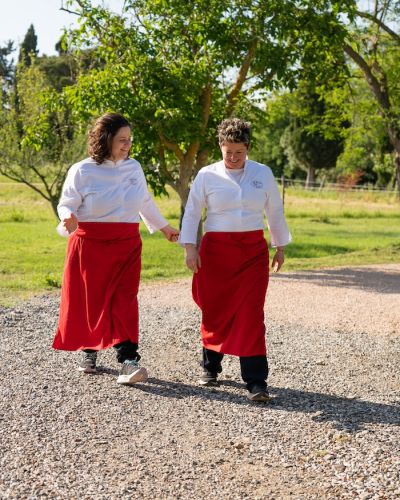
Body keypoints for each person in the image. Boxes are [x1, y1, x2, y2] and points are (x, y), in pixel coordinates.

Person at [52, 112, 179, 385]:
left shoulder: (134, 168)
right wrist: (67, 217)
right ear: (106, 139)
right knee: (93, 300)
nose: (128, 145)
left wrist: (165, 227)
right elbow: (67, 203)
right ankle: (90, 349)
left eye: (130, 139)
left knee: (125, 299)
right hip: (90, 244)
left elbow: (144, 201)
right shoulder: (82, 170)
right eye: (122, 140)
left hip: (127, 244)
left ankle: (128, 360)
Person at [180, 118, 291, 402]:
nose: (232, 157)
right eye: (228, 151)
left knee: (251, 314)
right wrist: (190, 247)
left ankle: (256, 381)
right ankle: (210, 367)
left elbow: (274, 210)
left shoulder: (262, 173)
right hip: (216, 252)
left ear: (248, 148)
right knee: (215, 309)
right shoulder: (206, 175)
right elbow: (192, 211)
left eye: (239, 152)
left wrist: (279, 246)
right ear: (220, 146)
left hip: (252, 252)